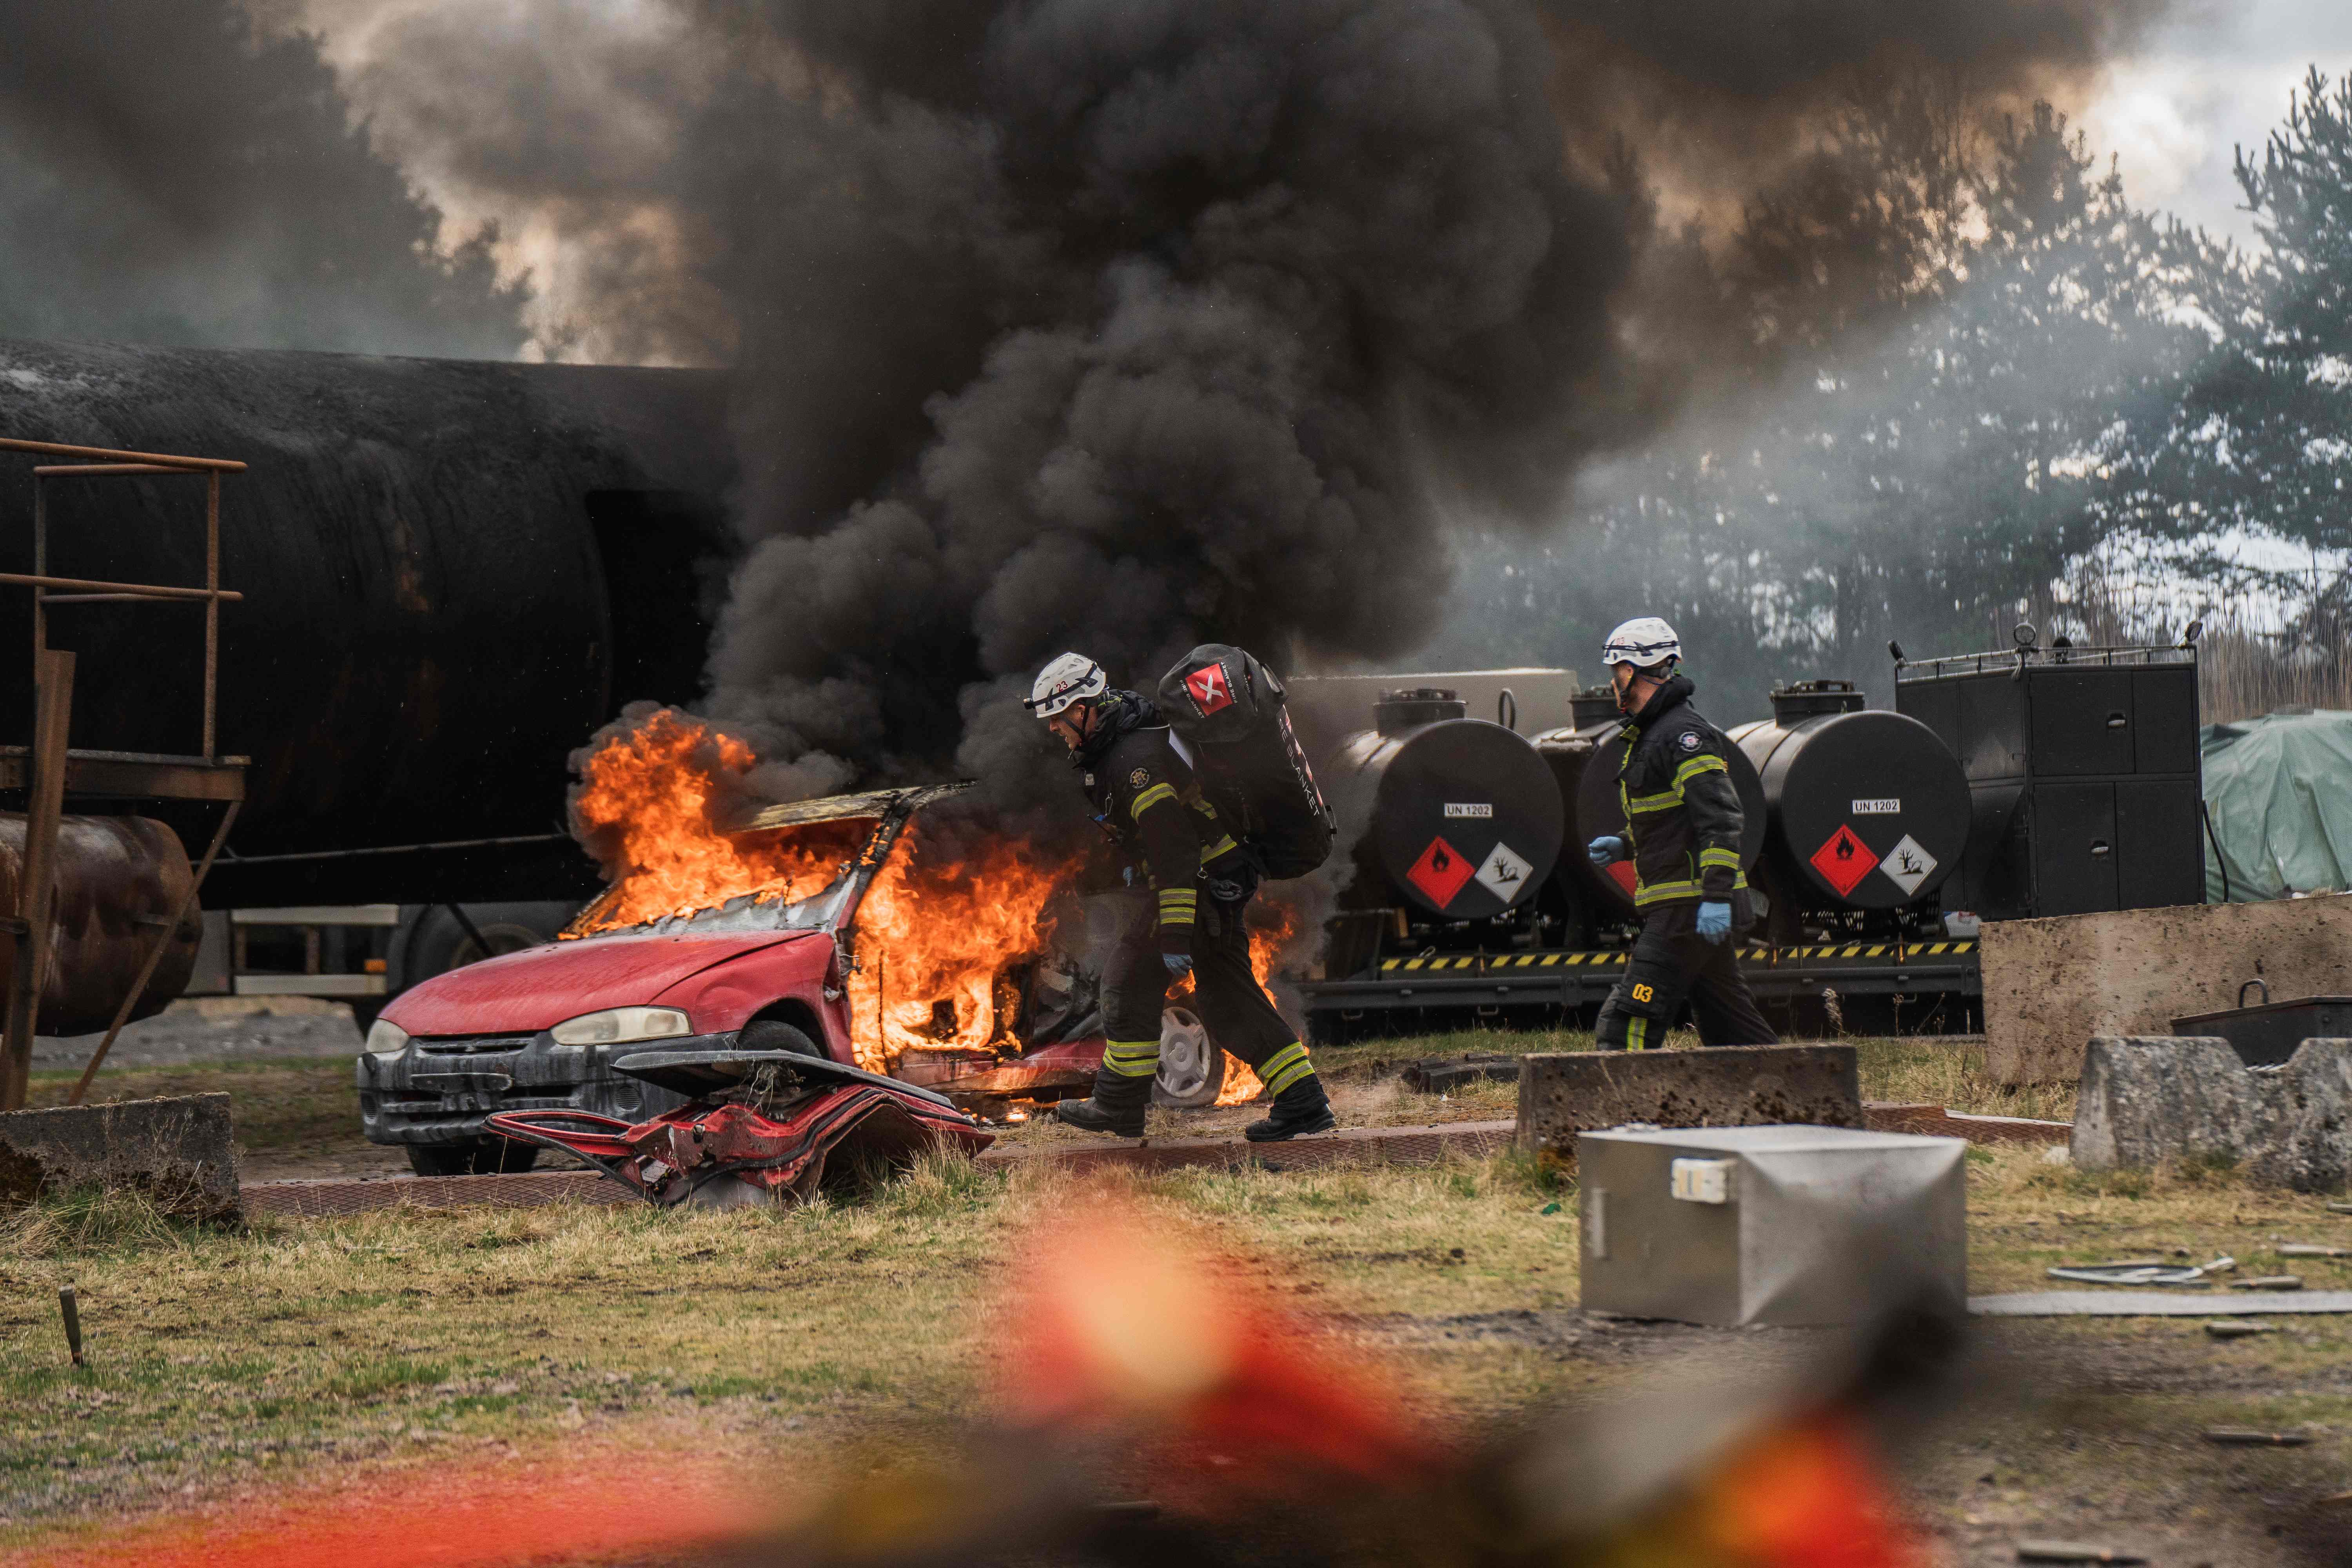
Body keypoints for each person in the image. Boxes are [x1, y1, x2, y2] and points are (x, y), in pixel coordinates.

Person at [1025, 652, 1335, 1141]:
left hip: (1200, 882)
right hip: (1218, 878)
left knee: (1128, 982)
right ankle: (1304, 1101)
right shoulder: (1128, 744)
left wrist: (1173, 933)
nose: (1053, 730)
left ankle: (1119, 1105)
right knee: (1229, 1001)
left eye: (1057, 719)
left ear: (1083, 708)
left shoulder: (1132, 762)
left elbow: (1174, 850)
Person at [1584, 618, 1780, 1051]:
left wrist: (1713, 897)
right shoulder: (1653, 734)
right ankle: (1801, 1100)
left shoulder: (1684, 736)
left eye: (1617, 672)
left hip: (1689, 906)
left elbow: (1722, 819)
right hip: (1684, 903)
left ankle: (1627, 1116)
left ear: (1637, 671)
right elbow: (1675, 821)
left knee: (1626, 1024)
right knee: (1732, 1030)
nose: (1613, 683)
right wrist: (1626, 843)